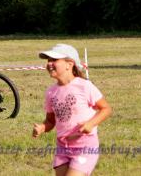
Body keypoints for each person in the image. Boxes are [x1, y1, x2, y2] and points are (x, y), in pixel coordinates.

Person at [33, 44, 112, 175]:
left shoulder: (84, 86)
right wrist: (42, 128)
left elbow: (106, 109)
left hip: (85, 146)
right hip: (62, 148)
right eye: (48, 60)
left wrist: (91, 124)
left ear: (69, 64)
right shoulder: (51, 92)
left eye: (54, 60)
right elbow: (50, 121)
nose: (49, 64)